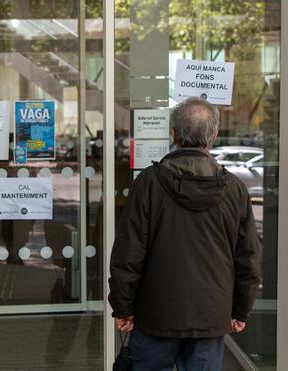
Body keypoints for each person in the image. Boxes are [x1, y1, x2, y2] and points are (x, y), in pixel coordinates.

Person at [108, 97, 261, 370]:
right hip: (210, 317)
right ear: (213, 136)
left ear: (174, 134)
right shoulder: (236, 189)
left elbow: (128, 253)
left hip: (155, 315)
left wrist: (123, 306)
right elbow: (247, 258)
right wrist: (240, 309)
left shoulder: (147, 183)